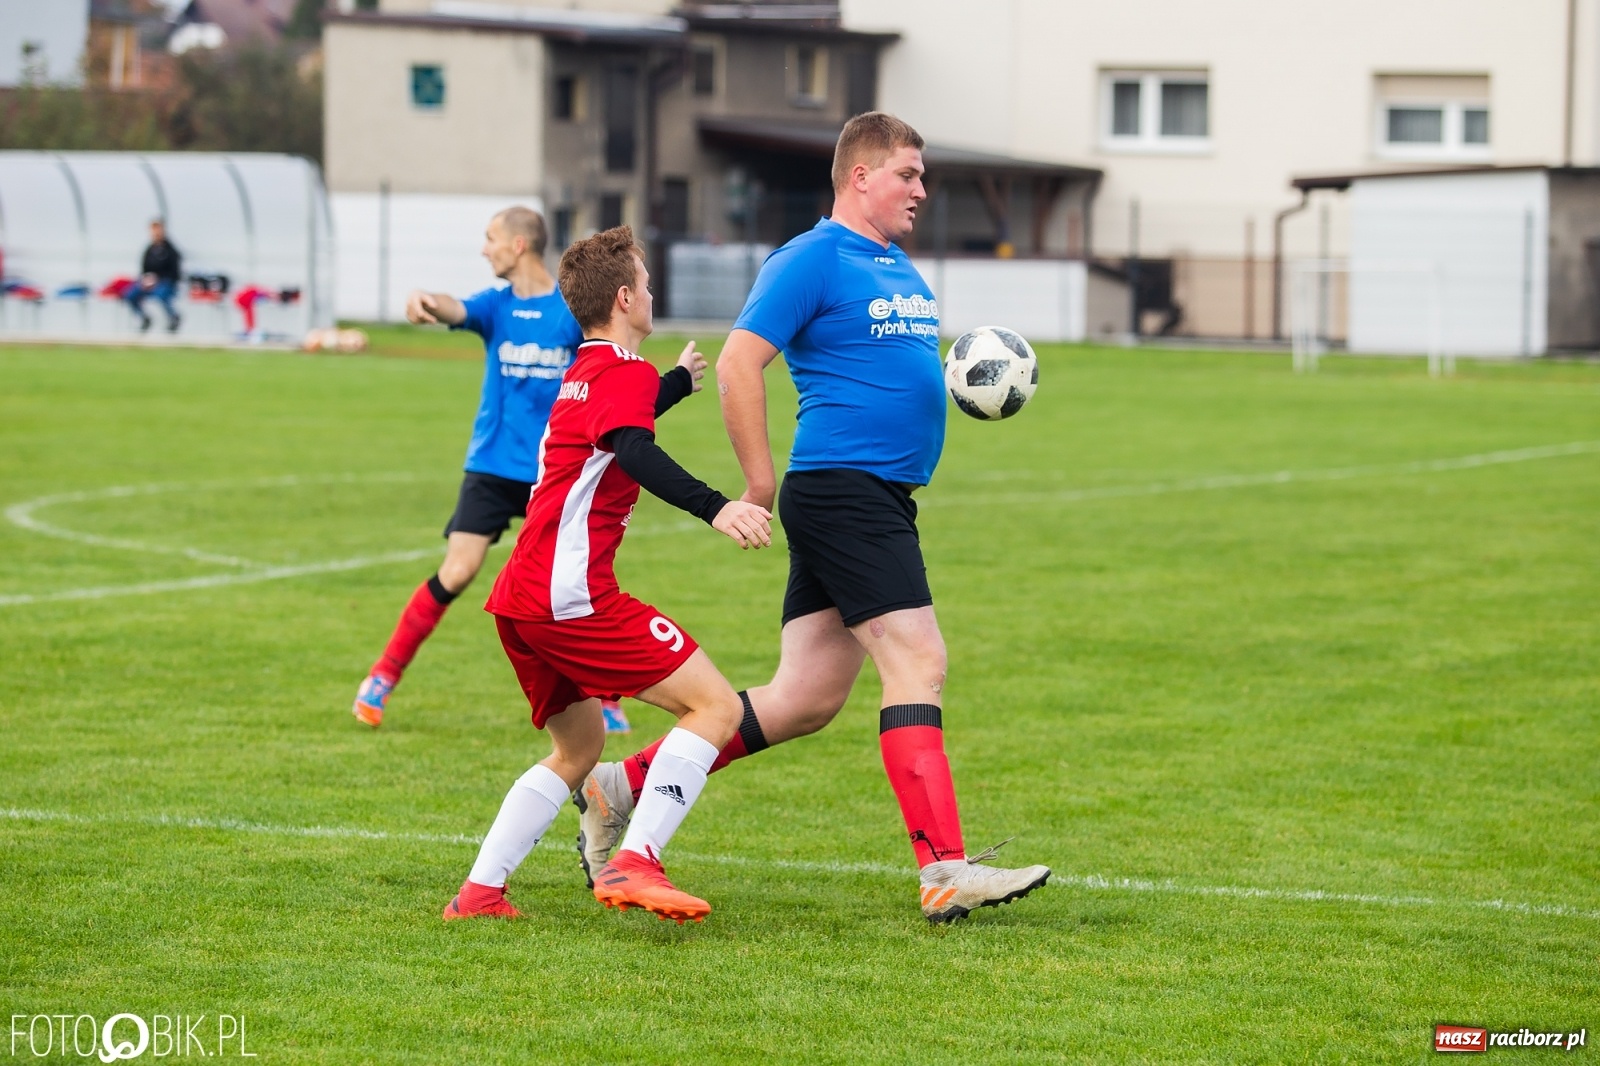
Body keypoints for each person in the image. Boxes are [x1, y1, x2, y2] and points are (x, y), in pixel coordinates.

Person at [572, 113, 1051, 924]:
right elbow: (737, 363)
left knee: (805, 697)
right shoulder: (809, 258)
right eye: (908, 173)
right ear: (860, 176)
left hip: (878, 493)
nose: (921, 190)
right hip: (842, 489)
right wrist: (756, 483)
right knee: (918, 658)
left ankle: (617, 784)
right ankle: (942, 869)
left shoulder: (896, 266)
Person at [442, 225, 774, 923]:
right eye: (647, 285)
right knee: (715, 707)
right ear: (625, 299)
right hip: (571, 598)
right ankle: (636, 860)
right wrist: (717, 508)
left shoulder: (586, 375)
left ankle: (479, 894)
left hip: (520, 599)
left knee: (581, 748)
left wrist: (677, 383)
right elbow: (632, 447)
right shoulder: (619, 376)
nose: (652, 293)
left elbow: (622, 418)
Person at [352, 206, 587, 727]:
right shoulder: (495, 307)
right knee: (457, 570)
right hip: (491, 465)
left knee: (567, 585)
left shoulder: (568, 314)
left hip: (553, 472)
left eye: (491, 239)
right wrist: (424, 300)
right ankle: (382, 677)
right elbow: (453, 308)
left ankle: (604, 699)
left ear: (520, 245)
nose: (484, 249)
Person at [127, 219, 182, 333]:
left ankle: (173, 317)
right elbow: (144, 269)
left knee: (161, 294)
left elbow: (175, 272)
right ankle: (144, 318)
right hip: (150, 282)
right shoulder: (149, 250)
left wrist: (158, 279)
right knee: (130, 294)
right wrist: (146, 279)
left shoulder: (170, 250)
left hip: (166, 282)